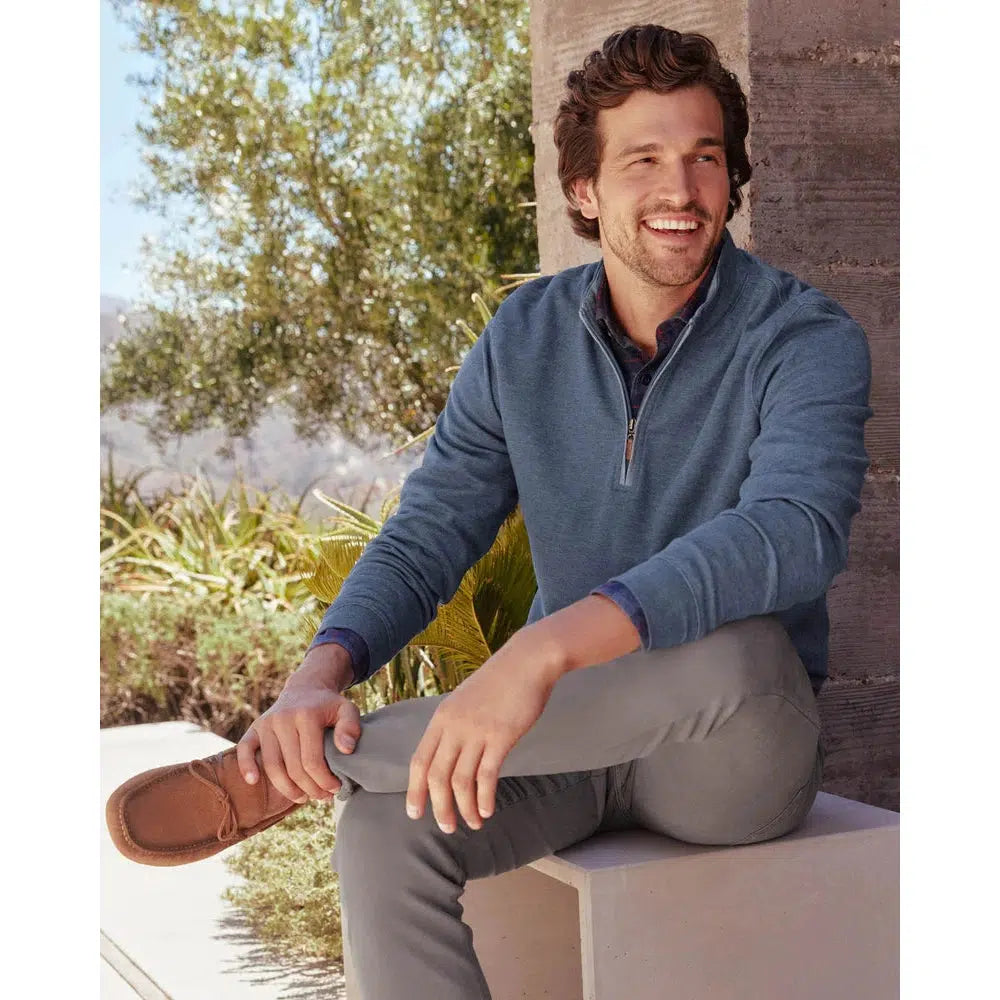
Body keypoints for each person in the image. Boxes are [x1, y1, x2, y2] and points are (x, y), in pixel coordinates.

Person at [106, 24, 873, 999]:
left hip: (728, 752)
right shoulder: (524, 336)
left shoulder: (803, 337)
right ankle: (324, 750)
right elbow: (432, 529)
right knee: (386, 828)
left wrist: (542, 650)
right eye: (643, 161)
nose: (681, 190)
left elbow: (794, 532)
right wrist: (317, 674)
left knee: (741, 651)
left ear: (731, 178)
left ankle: (319, 762)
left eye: (704, 158)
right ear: (584, 190)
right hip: (563, 748)